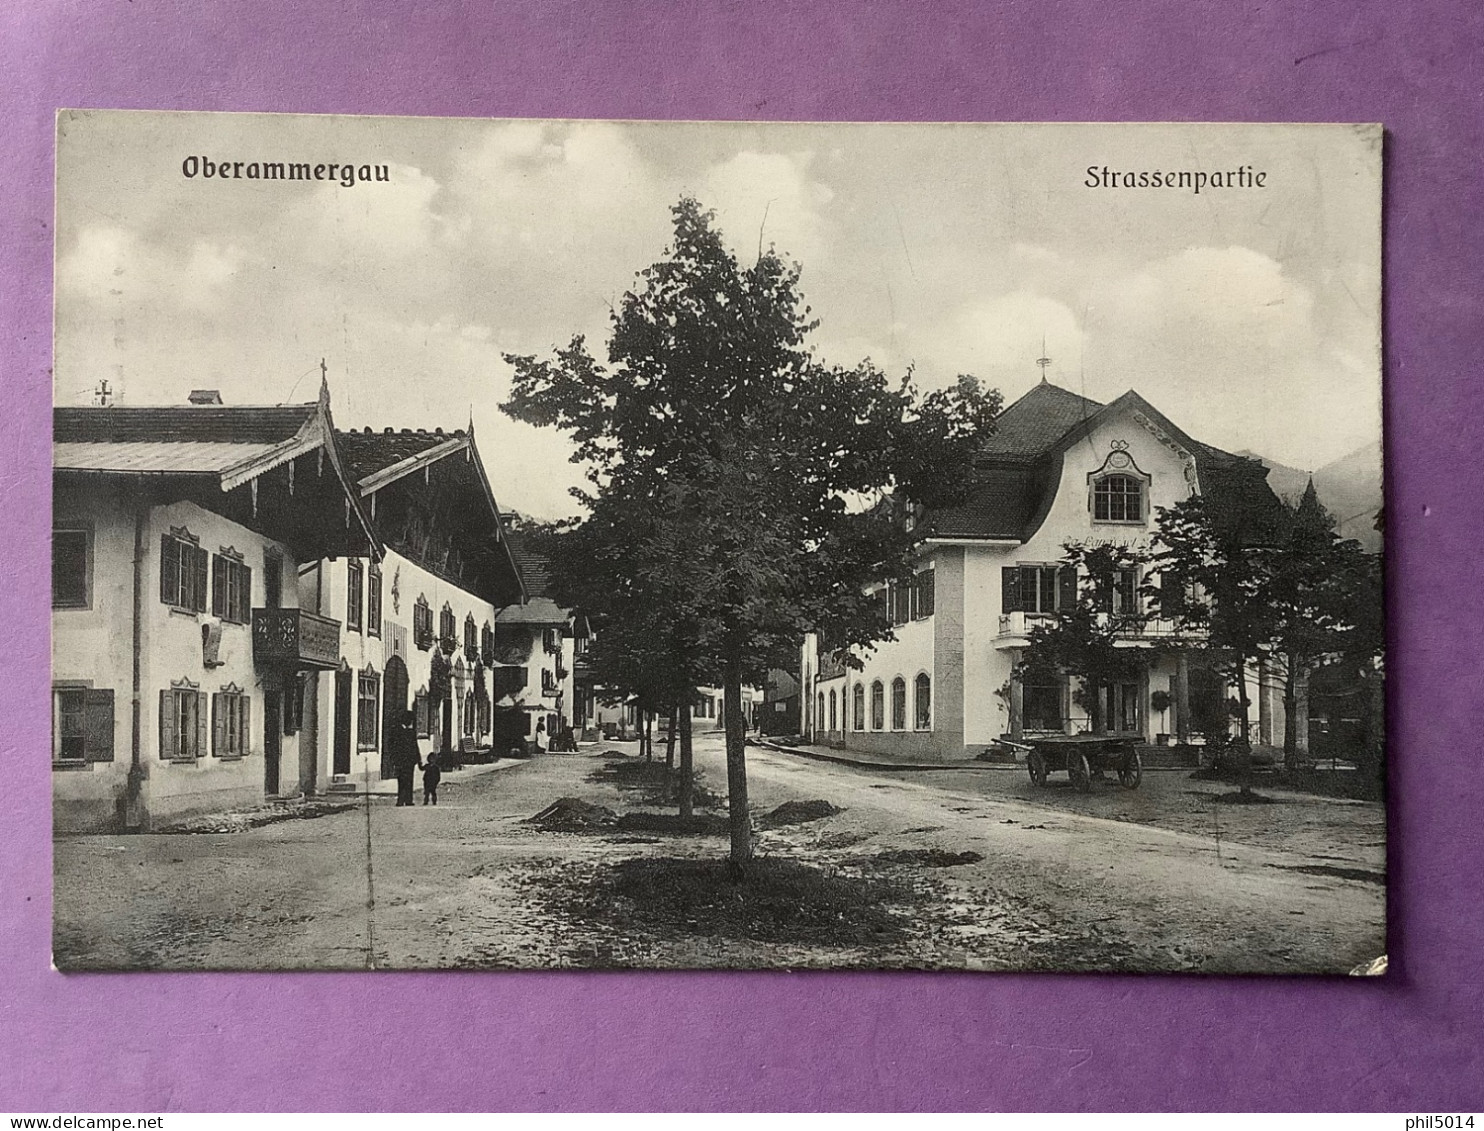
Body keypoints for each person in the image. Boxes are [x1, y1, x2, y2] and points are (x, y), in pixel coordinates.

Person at [388, 707, 422, 807]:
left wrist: (418, 759)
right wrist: (393, 759)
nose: (411, 722)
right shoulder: (396, 731)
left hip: (410, 761)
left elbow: (415, 746)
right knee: (401, 780)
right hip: (400, 760)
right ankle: (400, 799)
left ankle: (408, 800)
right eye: (410, 720)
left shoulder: (410, 732)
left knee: (409, 780)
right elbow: (392, 746)